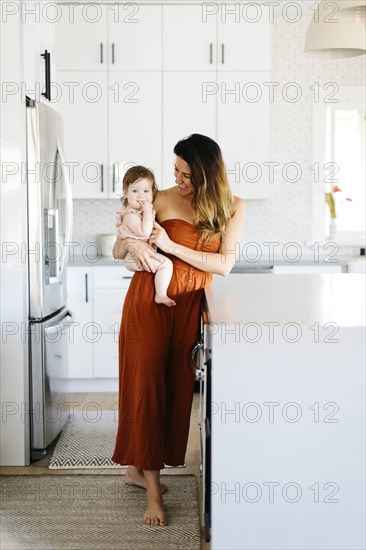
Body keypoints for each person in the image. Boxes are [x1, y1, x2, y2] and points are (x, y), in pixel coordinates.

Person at [112, 133, 245, 526]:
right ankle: (153, 494)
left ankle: (138, 470)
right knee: (146, 390)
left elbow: (223, 266)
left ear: (207, 173)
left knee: (173, 393)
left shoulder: (233, 207)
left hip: (189, 308)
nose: (177, 179)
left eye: (185, 173)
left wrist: (171, 244)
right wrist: (129, 249)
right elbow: (121, 245)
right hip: (148, 306)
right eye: (175, 171)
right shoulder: (161, 199)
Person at [116, 165, 176, 307]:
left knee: (165, 265)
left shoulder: (139, 212)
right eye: (135, 191)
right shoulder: (130, 215)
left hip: (139, 255)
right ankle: (160, 295)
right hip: (134, 258)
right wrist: (148, 211)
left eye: (146, 191)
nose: (141, 195)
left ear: (152, 192)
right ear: (126, 192)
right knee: (166, 265)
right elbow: (145, 232)